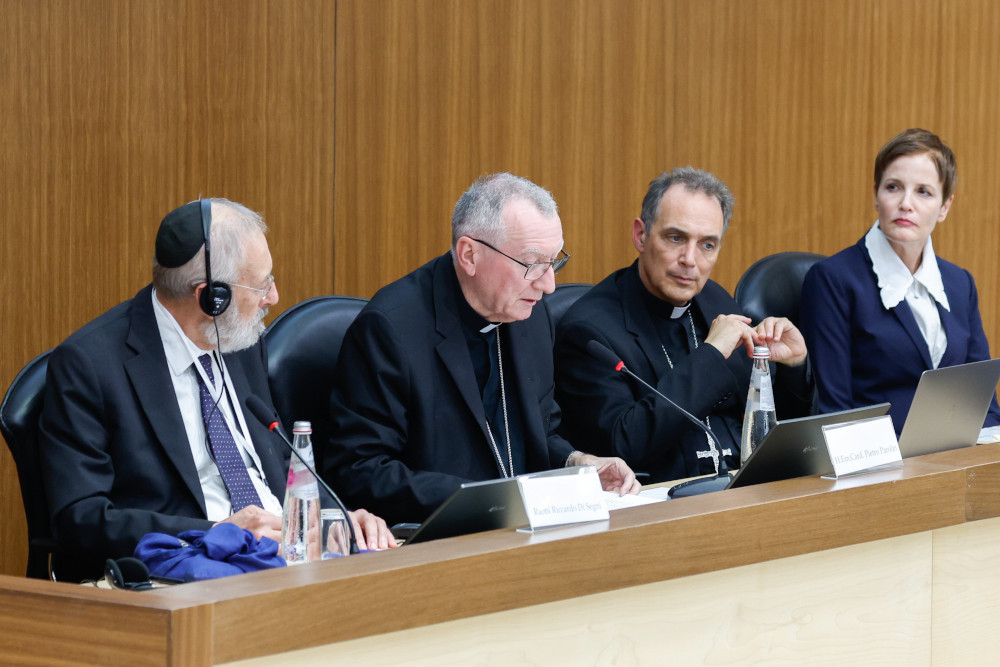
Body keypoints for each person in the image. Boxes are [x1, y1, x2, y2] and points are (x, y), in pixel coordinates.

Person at [39, 198, 395, 580]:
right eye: (261, 285)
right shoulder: (89, 365)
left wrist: (333, 519)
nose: (272, 298)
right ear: (212, 296)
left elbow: (274, 464)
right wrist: (219, 535)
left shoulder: (240, 339)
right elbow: (80, 519)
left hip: (288, 561)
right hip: (195, 575)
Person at [324, 173, 641, 524]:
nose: (549, 285)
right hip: (439, 540)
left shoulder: (530, 314)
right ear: (469, 255)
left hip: (525, 532)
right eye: (533, 264)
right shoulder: (390, 330)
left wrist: (576, 462)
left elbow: (536, 432)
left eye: (554, 262)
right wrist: (489, 500)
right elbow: (360, 470)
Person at [554, 167, 813, 483]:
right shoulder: (589, 331)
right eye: (675, 238)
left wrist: (794, 369)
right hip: (657, 503)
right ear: (641, 235)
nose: (690, 260)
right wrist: (711, 356)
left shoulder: (714, 300)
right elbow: (624, 445)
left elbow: (770, 430)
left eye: (707, 245)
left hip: (742, 489)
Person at [800, 128, 1000, 433]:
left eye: (924, 191)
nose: (906, 203)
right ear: (876, 196)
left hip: (955, 464)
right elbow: (836, 414)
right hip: (876, 467)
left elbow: (984, 408)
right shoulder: (832, 280)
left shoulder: (960, 284)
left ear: (944, 206)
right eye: (893, 187)